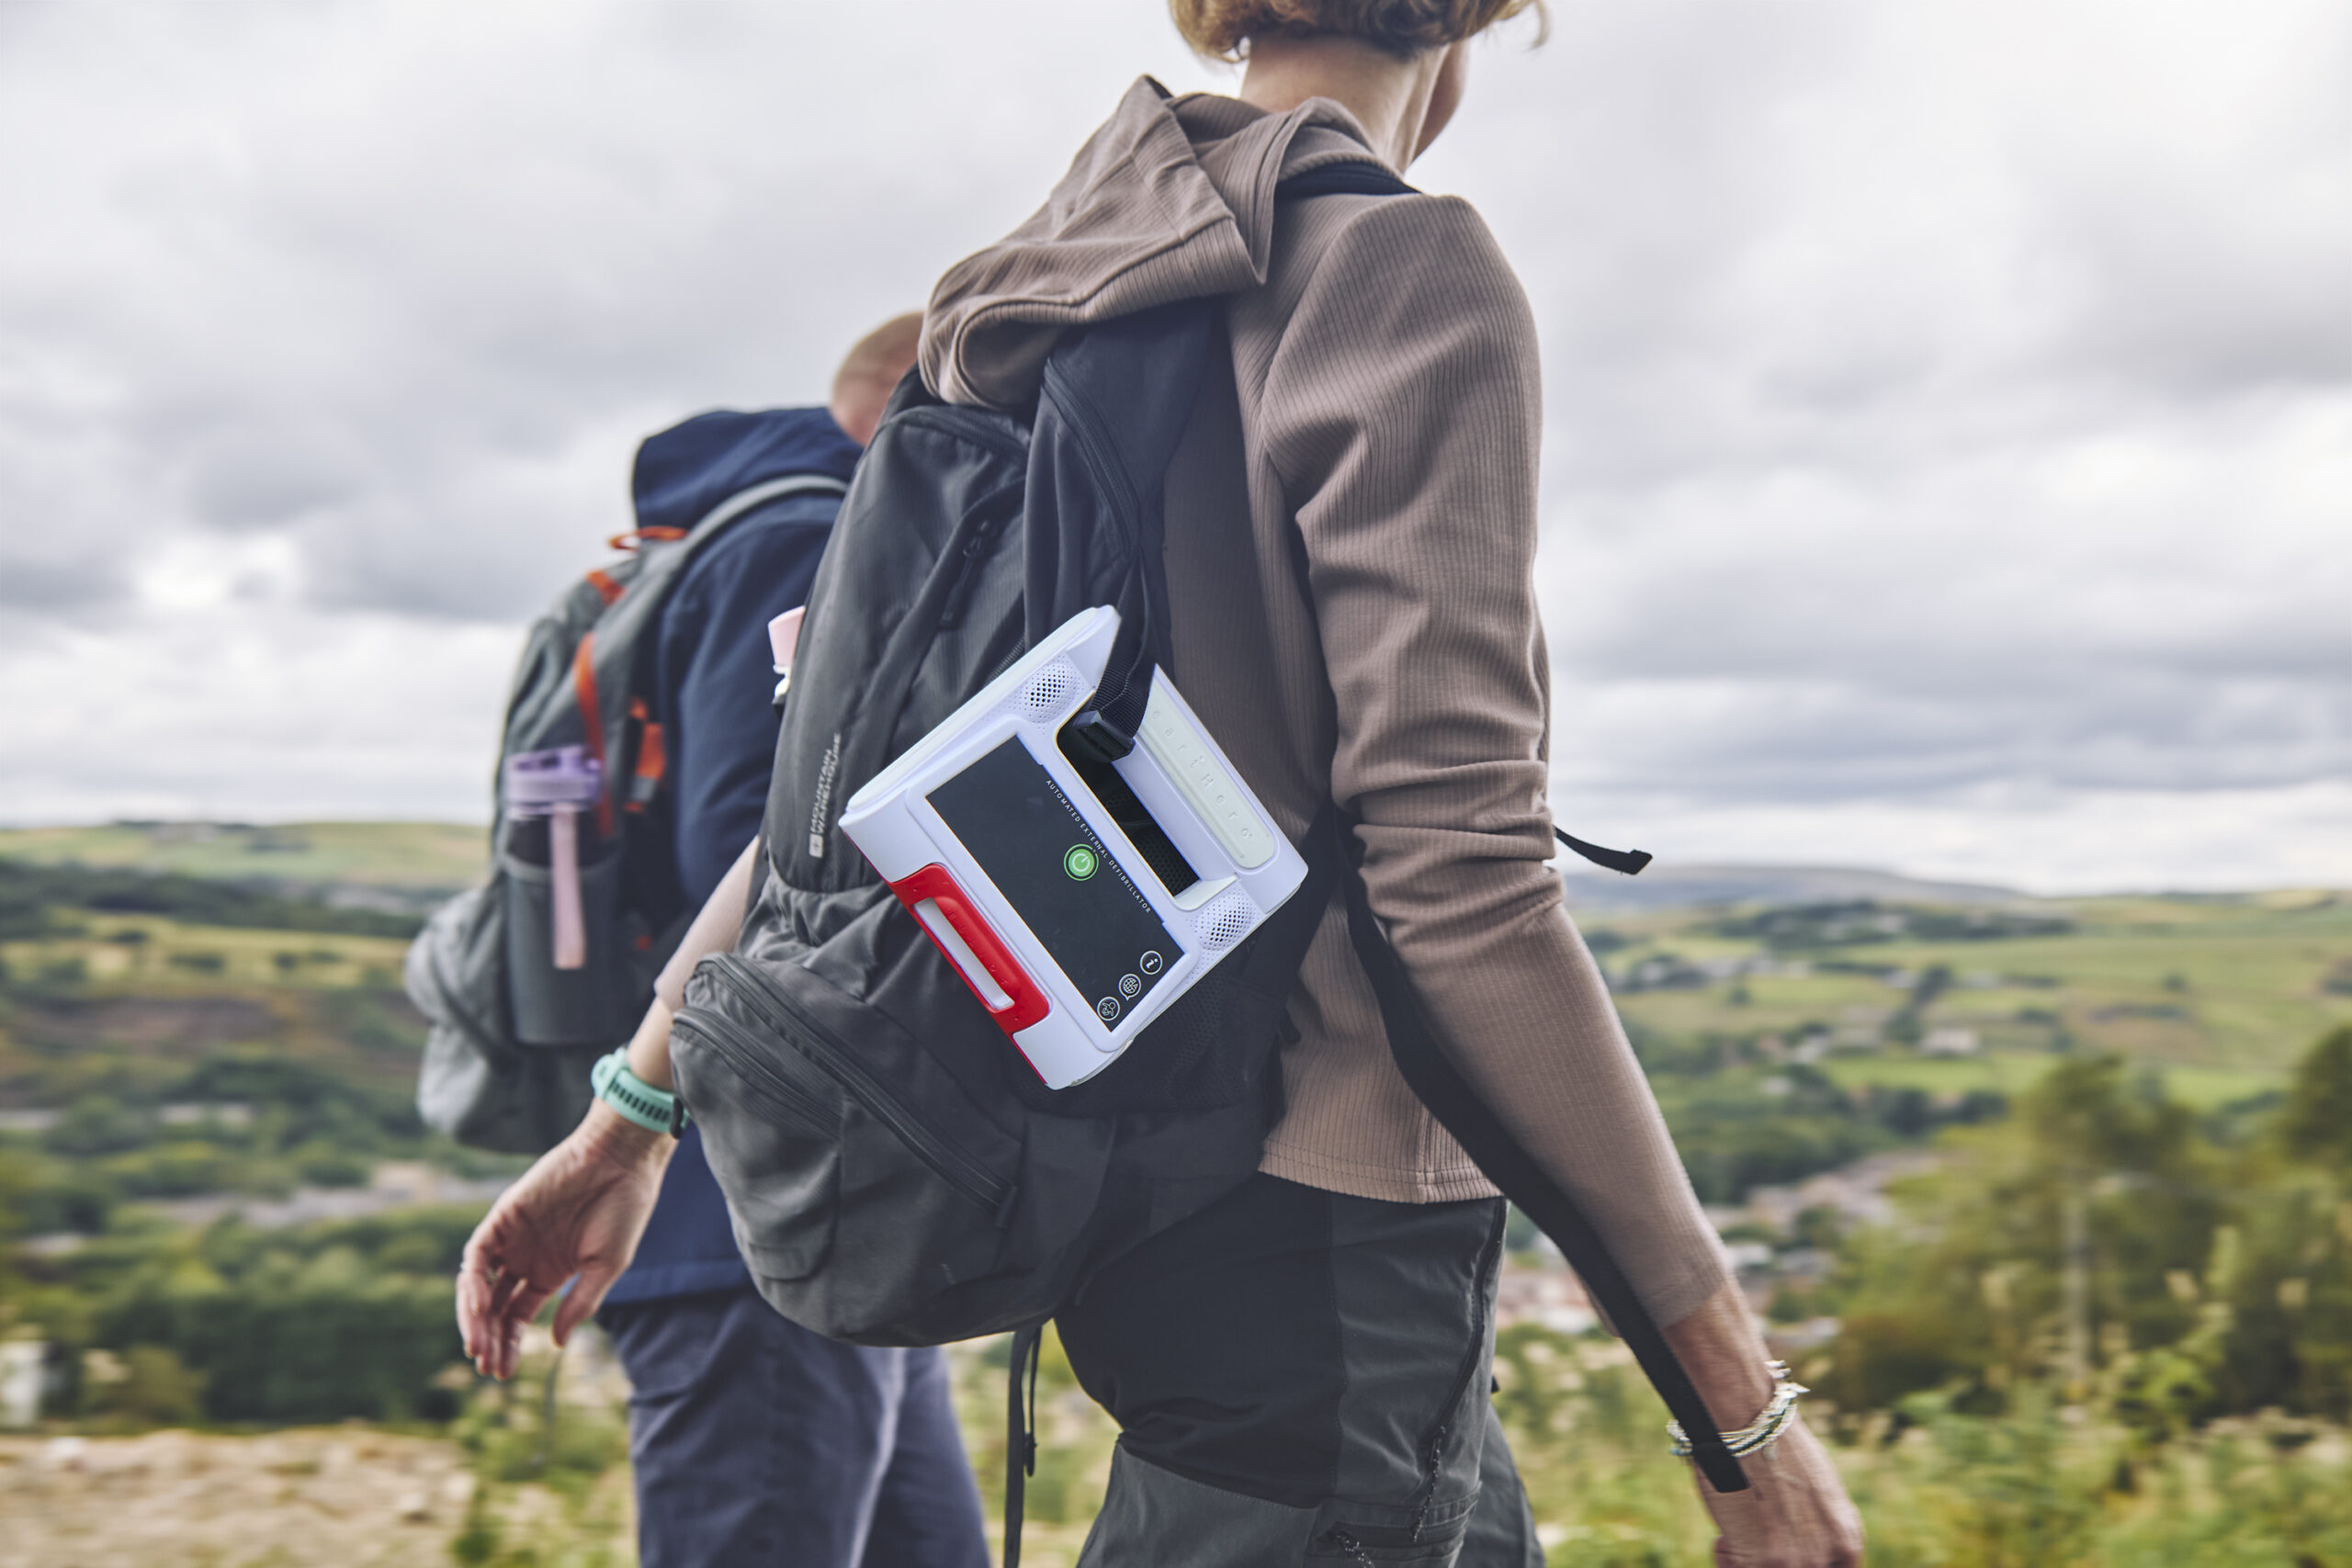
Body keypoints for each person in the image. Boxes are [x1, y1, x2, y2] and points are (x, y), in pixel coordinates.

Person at [460, 6, 1865, 1565]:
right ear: (1470, 25)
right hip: (1325, 1242)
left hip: (1115, 1189)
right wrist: (1740, 1411)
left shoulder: (1015, 295)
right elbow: (1459, 884)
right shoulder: (1402, 275)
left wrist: (630, 1119)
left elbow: (846, 793)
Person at [552, 314, 991, 1568]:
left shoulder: (776, 535)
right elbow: (763, 854)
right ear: (915, 418)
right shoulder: (812, 539)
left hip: (820, 1224)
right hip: (748, 1225)